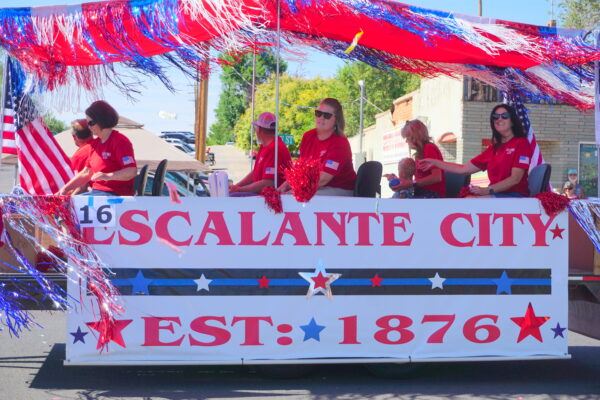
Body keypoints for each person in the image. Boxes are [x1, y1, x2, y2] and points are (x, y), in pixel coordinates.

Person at [419, 104, 531, 198]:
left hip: (515, 197)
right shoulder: (494, 148)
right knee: (468, 200)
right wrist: (435, 163)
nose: (499, 119)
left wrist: (488, 190)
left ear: (512, 121)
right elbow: (464, 169)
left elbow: (515, 179)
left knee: (471, 202)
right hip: (496, 196)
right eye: (495, 116)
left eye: (504, 116)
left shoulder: (521, 143)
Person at [278, 98, 356, 196]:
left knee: (293, 197)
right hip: (317, 188)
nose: (321, 117)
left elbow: (323, 179)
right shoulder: (308, 136)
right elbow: (301, 170)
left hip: (340, 189)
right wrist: (285, 185)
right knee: (282, 195)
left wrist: (298, 189)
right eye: (318, 113)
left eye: (327, 115)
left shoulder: (340, 143)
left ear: (336, 119)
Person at [58, 101, 137, 196]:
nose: (89, 127)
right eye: (88, 124)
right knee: (67, 203)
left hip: (114, 195)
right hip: (98, 194)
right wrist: (64, 190)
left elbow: (131, 171)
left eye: (91, 123)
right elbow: (86, 172)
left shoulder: (120, 141)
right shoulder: (95, 144)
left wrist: (107, 176)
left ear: (101, 120)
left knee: (72, 205)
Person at [229, 112, 292, 195]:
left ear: (259, 129)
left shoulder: (274, 148)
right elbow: (254, 173)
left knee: (232, 197)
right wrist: (237, 186)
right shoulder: (266, 146)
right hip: (262, 197)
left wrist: (239, 189)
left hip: (270, 199)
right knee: (231, 195)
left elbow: (268, 183)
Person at [388, 119, 446, 198]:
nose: (406, 141)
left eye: (407, 138)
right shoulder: (419, 153)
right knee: (396, 197)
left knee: (397, 200)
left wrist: (412, 183)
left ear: (415, 137)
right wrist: (398, 180)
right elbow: (414, 180)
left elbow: (437, 177)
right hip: (420, 192)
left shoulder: (429, 148)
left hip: (432, 195)